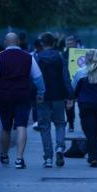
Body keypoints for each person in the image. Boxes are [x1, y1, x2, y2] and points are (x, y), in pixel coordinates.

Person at [0, 32, 46, 169]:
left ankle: (4, 155)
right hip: (23, 94)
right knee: (21, 126)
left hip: (4, 95)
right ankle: (19, 159)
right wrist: (41, 92)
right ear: (18, 42)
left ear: (6, 42)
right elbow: (38, 77)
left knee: (6, 128)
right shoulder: (28, 57)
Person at [36, 33, 74, 167]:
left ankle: (48, 158)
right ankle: (59, 148)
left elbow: (35, 79)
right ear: (53, 43)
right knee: (60, 123)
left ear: (42, 43)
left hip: (42, 97)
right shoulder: (60, 57)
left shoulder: (37, 58)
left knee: (44, 127)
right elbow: (66, 77)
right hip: (58, 96)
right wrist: (70, 96)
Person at [73, 50, 97, 168]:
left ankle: (93, 156)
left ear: (85, 59)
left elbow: (74, 90)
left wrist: (74, 98)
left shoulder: (80, 73)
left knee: (88, 130)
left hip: (85, 105)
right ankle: (94, 153)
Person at [62, 35, 78, 131]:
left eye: (71, 43)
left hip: (80, 81)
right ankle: (71, 123)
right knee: (69, 104)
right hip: (69, 82)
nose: (69, 45)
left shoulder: (81, 54)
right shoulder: (63, 55)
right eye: (67, 43)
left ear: (75, 43)